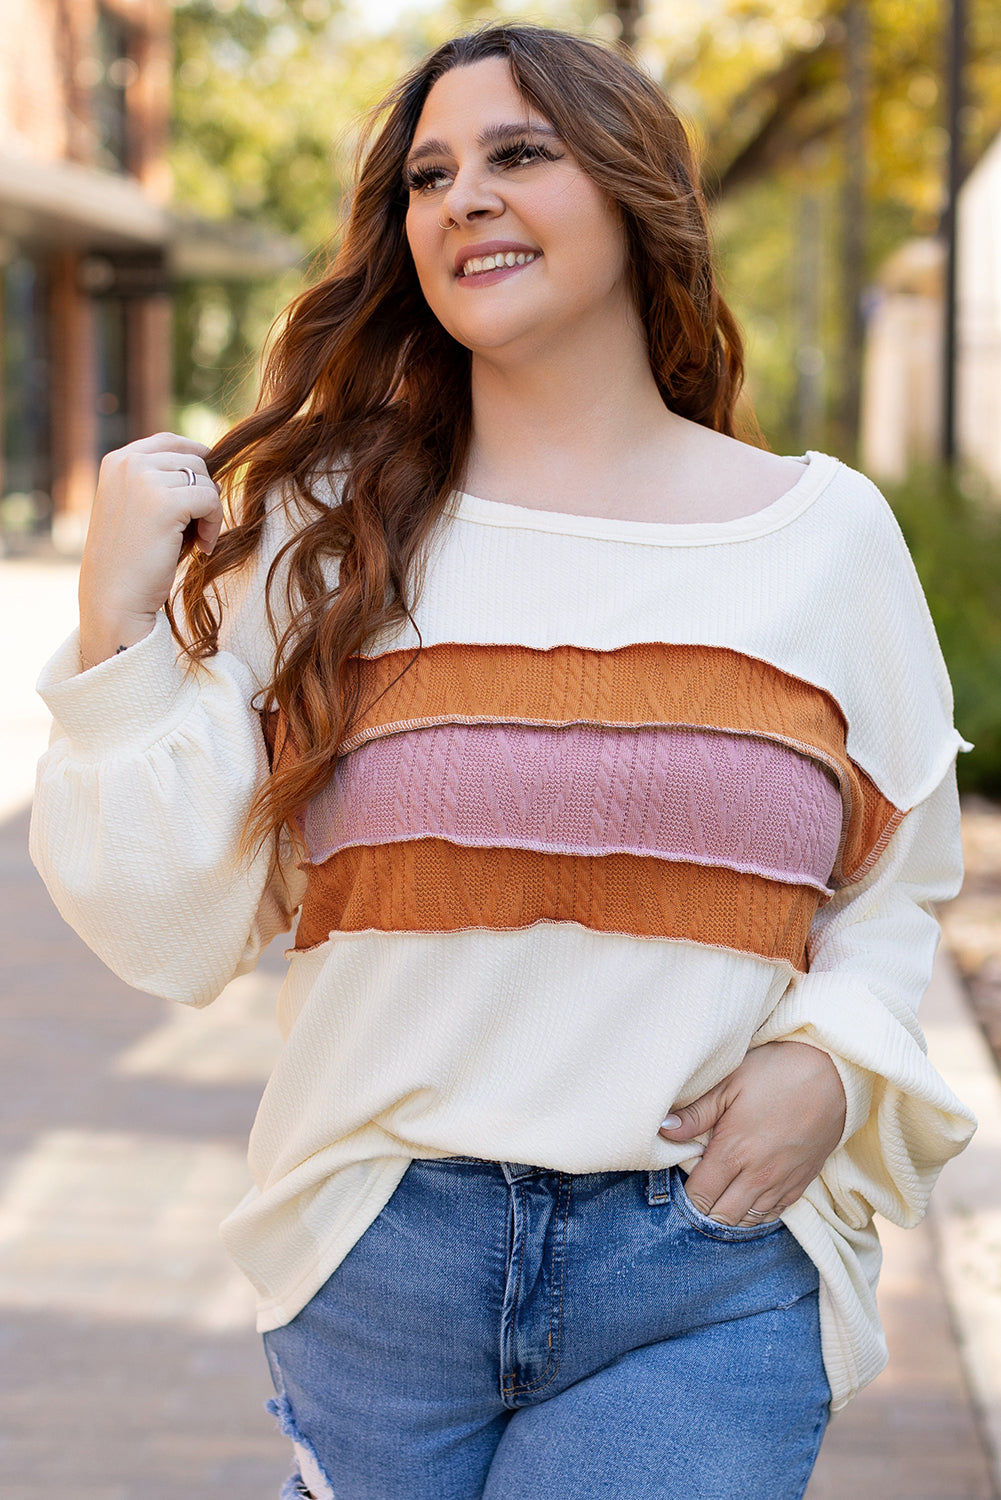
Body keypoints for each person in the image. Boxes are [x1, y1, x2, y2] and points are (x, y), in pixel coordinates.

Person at [30, 22, 975, 1500]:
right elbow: (166, 929)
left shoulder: (820, 537)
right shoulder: (328, 527)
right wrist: (114, 632)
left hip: (702, 1269)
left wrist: (833, 1062)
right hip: (380, 1259)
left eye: (518, 155)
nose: (462, 196)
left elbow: (896, 876)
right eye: (428, 174)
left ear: (630, 194)